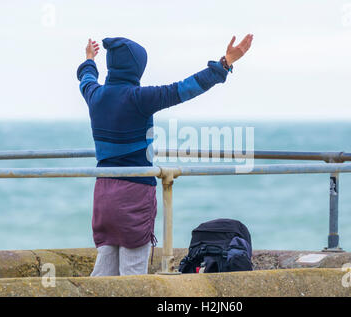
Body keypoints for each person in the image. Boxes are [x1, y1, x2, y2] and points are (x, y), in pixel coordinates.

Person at [77, 34, 253, 276]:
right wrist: (224, 64)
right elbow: (184, 89)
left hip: (104, 194)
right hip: (133, 194)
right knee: (133, 272)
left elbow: (86, 79)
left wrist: (89, 59)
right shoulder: (139, 98)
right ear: (136, 68)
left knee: (105, 266)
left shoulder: (95, 96)